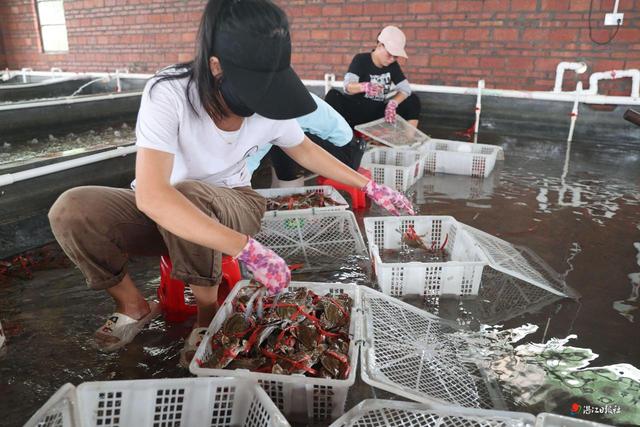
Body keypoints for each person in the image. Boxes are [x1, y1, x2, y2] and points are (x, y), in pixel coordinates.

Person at [47, 0, 414, 362]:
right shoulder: (170, 92)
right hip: (166, 208)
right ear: (216, 66)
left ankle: (208, 316)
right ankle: (132, 304)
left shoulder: (272, 95)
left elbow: (303, 150)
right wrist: (248, 251)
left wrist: (369, 185)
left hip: (234, 202)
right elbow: (153, 195)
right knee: (71, 209)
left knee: (188, 194)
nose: (262, 103)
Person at [246, 92, 366, 187]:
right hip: (337, 142)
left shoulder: (276, 110)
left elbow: (307, 152)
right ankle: (282, 187)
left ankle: (289, 190)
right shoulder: (272, 95)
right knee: (280, 139)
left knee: (283, 139)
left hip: (346, 152)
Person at [325, 25, 421, 129]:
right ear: (380, 45)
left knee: (413, 100)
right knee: (333, 95)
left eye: (396, 56)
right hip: (354, 112)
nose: (392, 59)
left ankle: (409, 142)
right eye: (390, 54)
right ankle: (332, 136)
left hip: (375, 114)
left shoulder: (393, 66)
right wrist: (364, 86)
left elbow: (405, 89)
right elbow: (347, 87)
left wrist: (393, 104)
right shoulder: (361, 59)